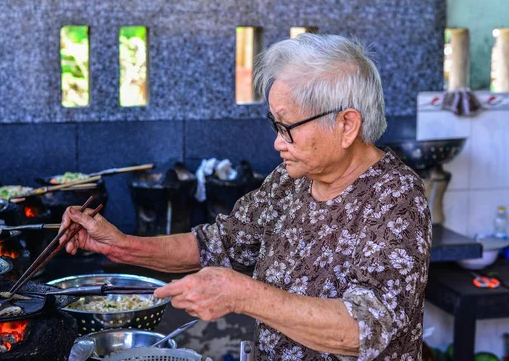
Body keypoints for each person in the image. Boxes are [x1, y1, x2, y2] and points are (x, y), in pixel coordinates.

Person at [60, 33, 432, 360]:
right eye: (275, 125)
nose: (276, 143)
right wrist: (122, 247)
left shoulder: (396, 198)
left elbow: (363, 330)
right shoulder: (292, 180)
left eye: (287, 127)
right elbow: (217, 244)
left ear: (346, 124)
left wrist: (244, 295)